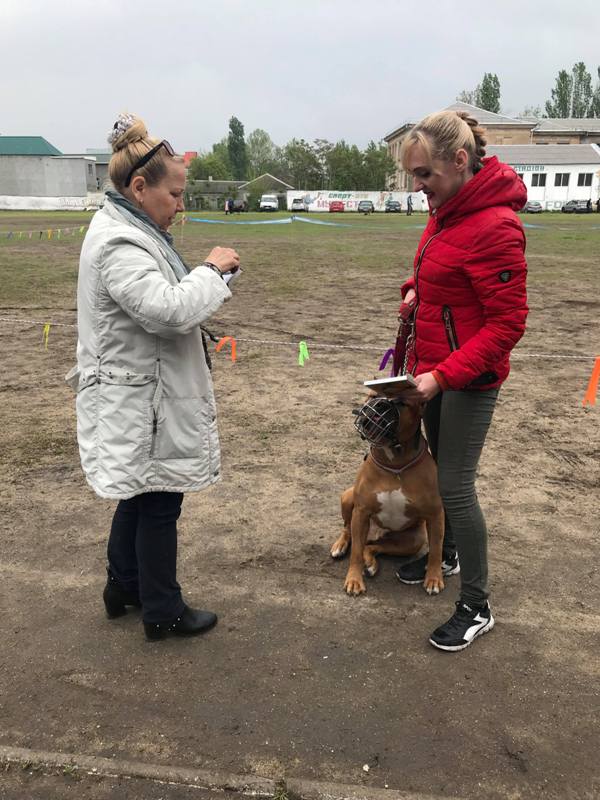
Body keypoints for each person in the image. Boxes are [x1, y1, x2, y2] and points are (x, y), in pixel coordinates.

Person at [65, 113, 240, 641]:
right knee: (160, 498)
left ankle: (124, 586)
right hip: (142, 399)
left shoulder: (130, 230)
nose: (180, 205)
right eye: (176, 194)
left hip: (143, 391)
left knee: (140, 493)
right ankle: (162, 609)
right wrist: (212, 271)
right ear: (140, 188)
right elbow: (167, 311)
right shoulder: (120, 243)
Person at [394, 110, 528, 652]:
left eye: (424, 174)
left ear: (459, 160)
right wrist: (414, 290)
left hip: (468, 379)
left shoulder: (496, 226)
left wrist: (443, 376)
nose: (418, 187)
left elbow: (507, 325)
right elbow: (438, 272)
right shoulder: (445, 211)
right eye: (414, 175)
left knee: (454, 484)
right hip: (434, 370)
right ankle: (445, 555)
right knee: (441, 469)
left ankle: (477, 604)